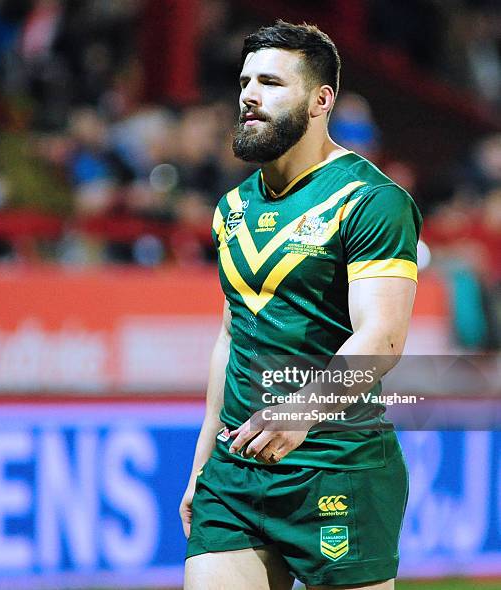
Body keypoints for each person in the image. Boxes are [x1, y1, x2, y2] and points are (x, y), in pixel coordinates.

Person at [179, 21, 422, 590]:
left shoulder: (372, 201)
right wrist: (203, 464)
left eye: (270, 82)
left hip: (336, 466)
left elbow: (382, 338)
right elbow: (231, 337)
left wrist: (301, 411)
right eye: (244, 82)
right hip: (236, 473)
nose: (248, 95)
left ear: (321, 100)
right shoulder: (231, 208)